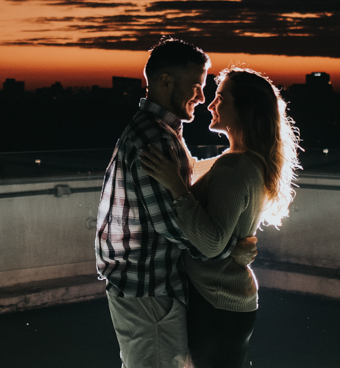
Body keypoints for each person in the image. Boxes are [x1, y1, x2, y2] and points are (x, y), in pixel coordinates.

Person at [95, 37, 257, 368]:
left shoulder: (160, 132)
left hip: (144, 287)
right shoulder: (155, 138)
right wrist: (231, 252)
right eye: (196, 85)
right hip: (149, 289)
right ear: (165, 81)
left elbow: (181, 191)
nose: (202, 97)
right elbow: (173, 226)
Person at [140, 67, 300, 368]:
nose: (211, 104)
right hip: (227, 302)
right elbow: (196, 170)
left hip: (215, 302)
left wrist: (175, 186)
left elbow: (211, 243)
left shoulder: (235, 167)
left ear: (243, 109)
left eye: (220, 98)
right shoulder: (245, 161)